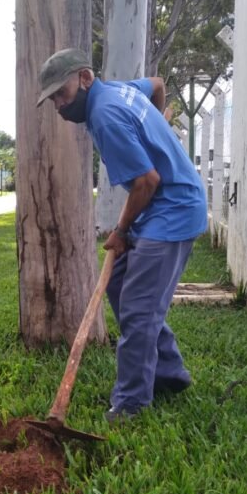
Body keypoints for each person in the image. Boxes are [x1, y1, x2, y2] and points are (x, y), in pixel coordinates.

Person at [36, 48, 207, 422]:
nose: (59, 107)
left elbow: (147, 182)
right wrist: (158, 121)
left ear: (84, 78)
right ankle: (169, 373)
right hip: (161, 207)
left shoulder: (105, 114)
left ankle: (131, 403)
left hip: (172, 209)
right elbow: (158, 84)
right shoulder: (118, 91)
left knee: (139, 308)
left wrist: (121, 231)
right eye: (51, 101)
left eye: (61, 95)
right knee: (120, 286)